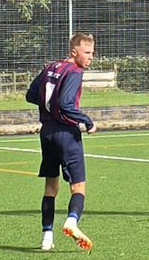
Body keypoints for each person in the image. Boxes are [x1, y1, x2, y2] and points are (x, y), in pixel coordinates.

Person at [25, 32, 98, 253]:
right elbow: (67, 104)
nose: (90, 58)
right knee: (79, 186)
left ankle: (47, 237)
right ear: (74, 51)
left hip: (46, 133)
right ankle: (72, 221)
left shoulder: (50, 67)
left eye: (92, 53)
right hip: (66, 133)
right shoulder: (74, 72)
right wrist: (87, 121)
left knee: (51, 187)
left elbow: (31, 94)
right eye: (87, 53)